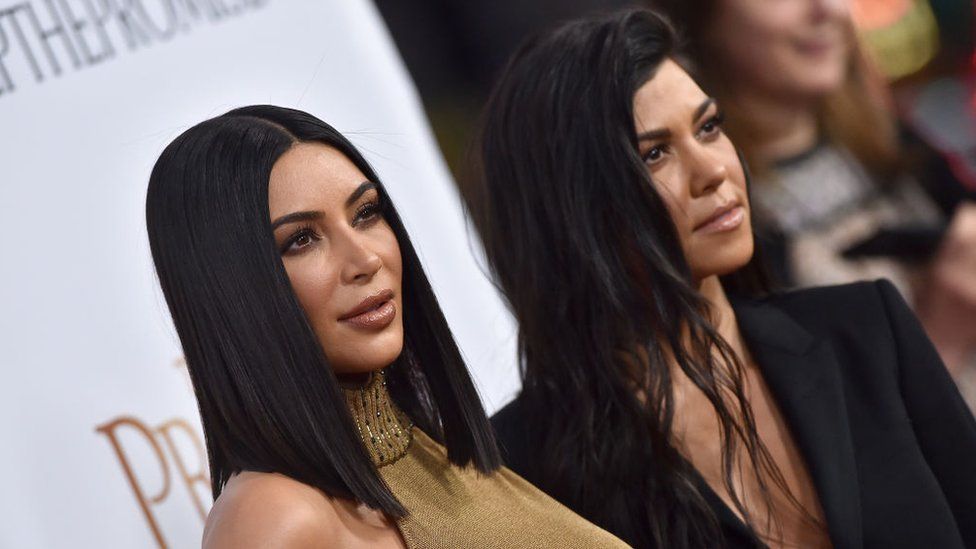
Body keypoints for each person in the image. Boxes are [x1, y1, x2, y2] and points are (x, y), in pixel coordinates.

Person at [464, 9, 976, 549]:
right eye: (655, 154)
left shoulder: (868, 327)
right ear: (571, 205)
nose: (713, 170)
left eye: (708, 128)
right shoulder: (521, 472)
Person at [145, 105, 627, 548]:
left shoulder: (430, 452)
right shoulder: (273, 518)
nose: (366, 258)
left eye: (366, 213)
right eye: (301, 240)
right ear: (228, 290)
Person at [653, 0, 976, 398]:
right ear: (701, 19)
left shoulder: (889, 139)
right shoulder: (717, 219)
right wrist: (943, 334)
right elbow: (827, 447)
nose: (829, 10)